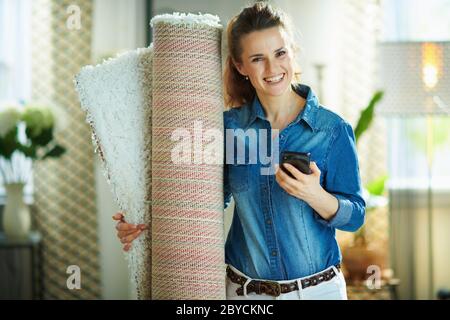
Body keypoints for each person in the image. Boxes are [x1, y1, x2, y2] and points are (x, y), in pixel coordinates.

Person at [113, 2, 365, 300]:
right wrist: (143, 223)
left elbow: (356, 216)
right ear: (240, 66)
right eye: (258, 59)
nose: (272, 69)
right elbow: (202, 201)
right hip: (244, 295)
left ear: (292, 51)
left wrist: (316, 195)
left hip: (317, 293)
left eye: (280, 53)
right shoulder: (228, 129)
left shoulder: (332, 130)